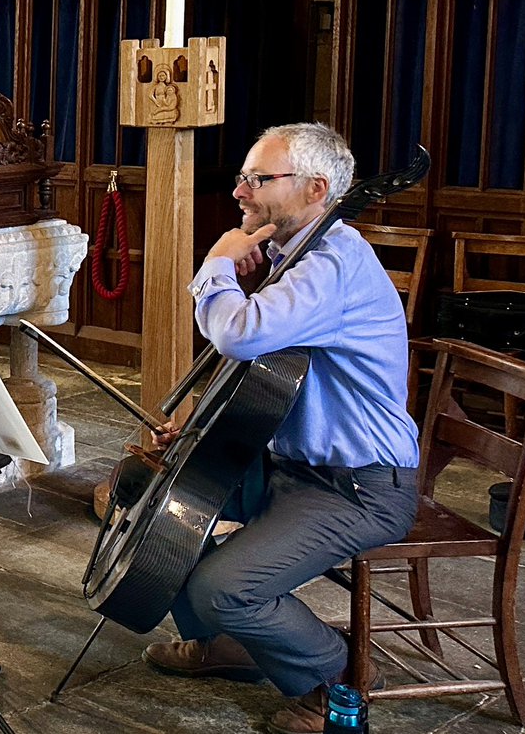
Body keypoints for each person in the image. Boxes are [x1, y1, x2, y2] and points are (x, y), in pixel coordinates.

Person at [141, 123, 420, 734]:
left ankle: (329, 680)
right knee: (145, 491)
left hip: (357, 485)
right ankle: (231, 645)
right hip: (295, 467)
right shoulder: (291, 258)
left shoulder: (333, 263)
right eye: (243, 176)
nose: (240, 191)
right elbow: (264, 382)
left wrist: (214, 265)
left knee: (223, 586)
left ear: (317, 188)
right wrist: (197, 437)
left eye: (258, 179)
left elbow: (243, 334)